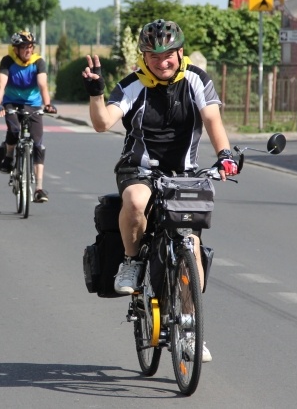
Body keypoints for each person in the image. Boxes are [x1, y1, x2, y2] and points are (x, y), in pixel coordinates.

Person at [82, 19, 239, 362]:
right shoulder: (132, 85)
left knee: (191, 247)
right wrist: (96, 92)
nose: (161, 61)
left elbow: (212, 121)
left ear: (179, 52)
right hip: (138, 170)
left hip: (183, 173)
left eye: (167, 54)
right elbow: (101, 123)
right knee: (136, 200)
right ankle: (131, 260)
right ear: (143, 57)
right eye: (152, 55)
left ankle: (190, 328)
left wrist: (225, 155)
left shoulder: (196, 79)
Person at [0, 31, 57, 203]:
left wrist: (48, 104)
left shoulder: (38, 62)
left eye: (30, 47)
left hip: (33, 103)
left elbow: (43, 84)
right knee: (14, 130)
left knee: (38, 144)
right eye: (23, 47)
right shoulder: (8, 61)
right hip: (11, 102)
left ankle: (39, 189)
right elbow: (1, 84)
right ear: (16, 49)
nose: (28, 50)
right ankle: (9, 155)